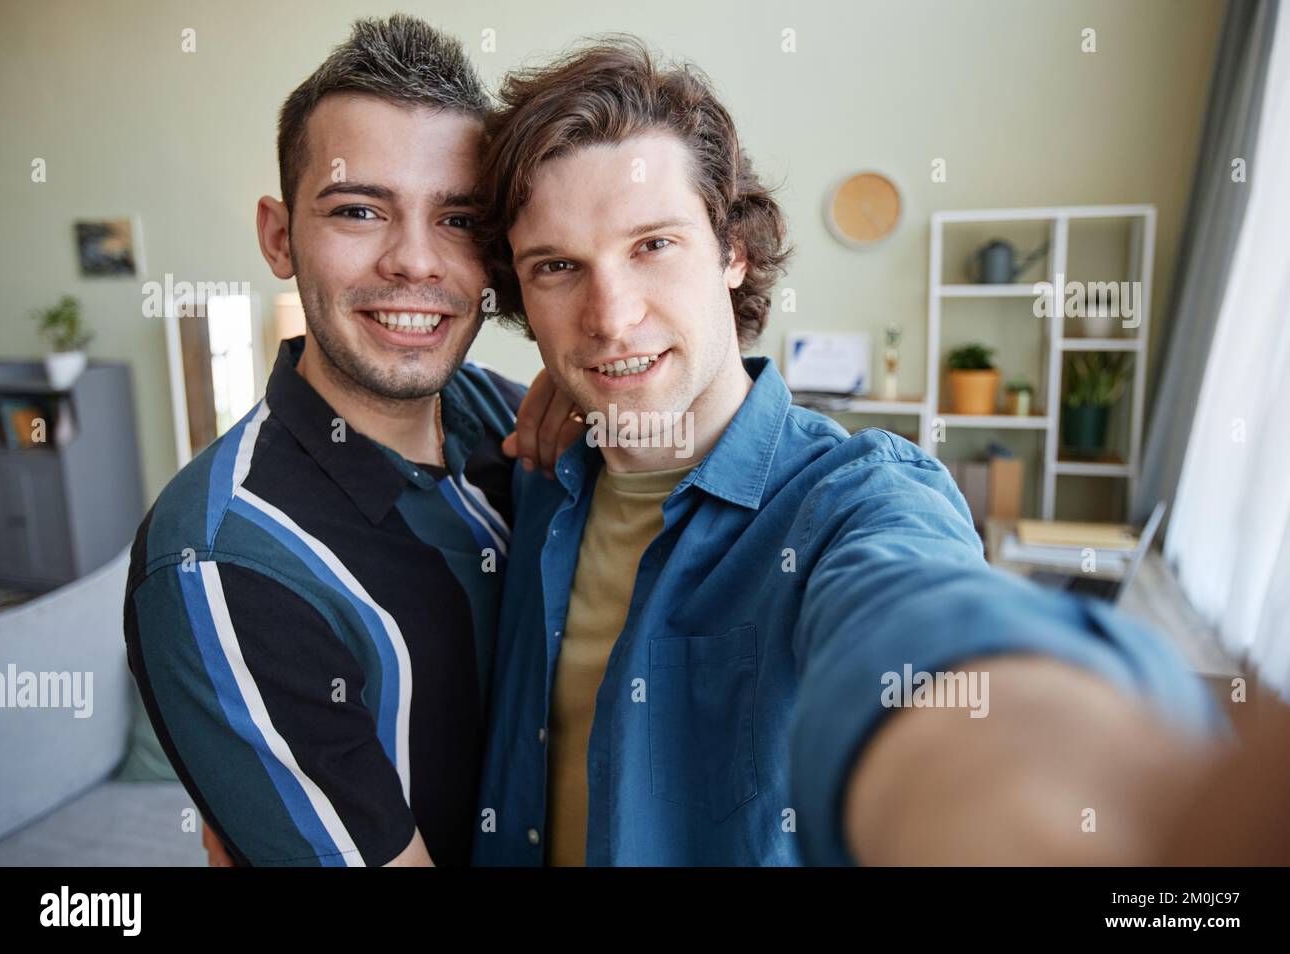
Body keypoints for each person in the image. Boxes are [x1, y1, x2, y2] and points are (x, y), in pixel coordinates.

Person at [470, 38, 1283, 867]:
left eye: (653, 246)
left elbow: (920, 628)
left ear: (732, 251)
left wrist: (1079, 795)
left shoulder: (852, 499)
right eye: (559, 267)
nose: (610, 315)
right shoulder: (532, 474)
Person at [124, 15, 574, 867]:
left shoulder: (519, 424)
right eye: (360, 210)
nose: (414, 263)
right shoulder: (225, 561)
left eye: (458, 220)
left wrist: (595, 395)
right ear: (277, 236)